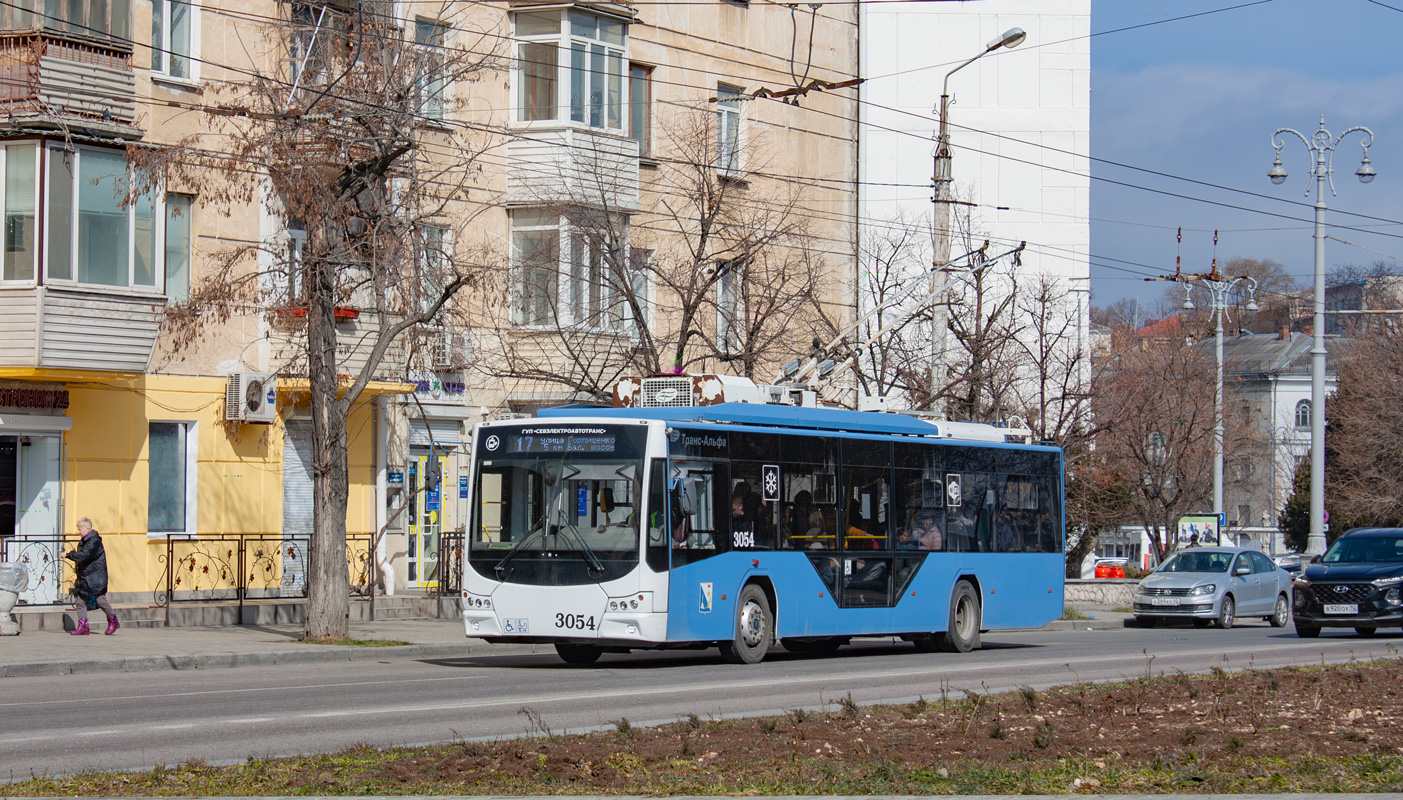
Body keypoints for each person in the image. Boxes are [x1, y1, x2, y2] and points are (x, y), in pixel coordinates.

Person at [64, 517, 119, 636]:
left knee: (100, 600)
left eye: (80, 529)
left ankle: (113, 620)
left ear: (87, 528)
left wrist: (68, 555)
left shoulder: (94, 541)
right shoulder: (85, 541)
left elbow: (84, 555)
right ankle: (83, 626)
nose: (78, 532)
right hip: (86, 576)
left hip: (96, 577)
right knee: (80, 600)